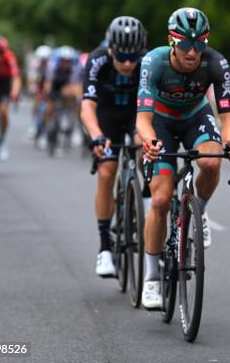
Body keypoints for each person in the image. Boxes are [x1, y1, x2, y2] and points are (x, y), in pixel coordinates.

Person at [136, 7, 230, 310]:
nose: (193, 52)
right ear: (172, 41)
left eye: (200, 43)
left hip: (196, 115)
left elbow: (227, 115)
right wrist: (149, 141)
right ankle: (152, 277)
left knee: (211, 162)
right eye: (185, 44)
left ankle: (200, 211)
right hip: (162, 121)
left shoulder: (215, 61)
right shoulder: (154, 62)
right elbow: (142, 119)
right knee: (159, 200)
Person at [80, 16, 148, 277]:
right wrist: (96, 135)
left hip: (135, 115)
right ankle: (104, 249)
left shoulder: (146, 61)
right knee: (107, 172)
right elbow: (87, 106)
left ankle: (146, 200)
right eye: (122, 57)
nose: (128, 63)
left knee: (146, 149)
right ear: (110, 49)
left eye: (134, 57)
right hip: (106, 117)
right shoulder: (97, 59)